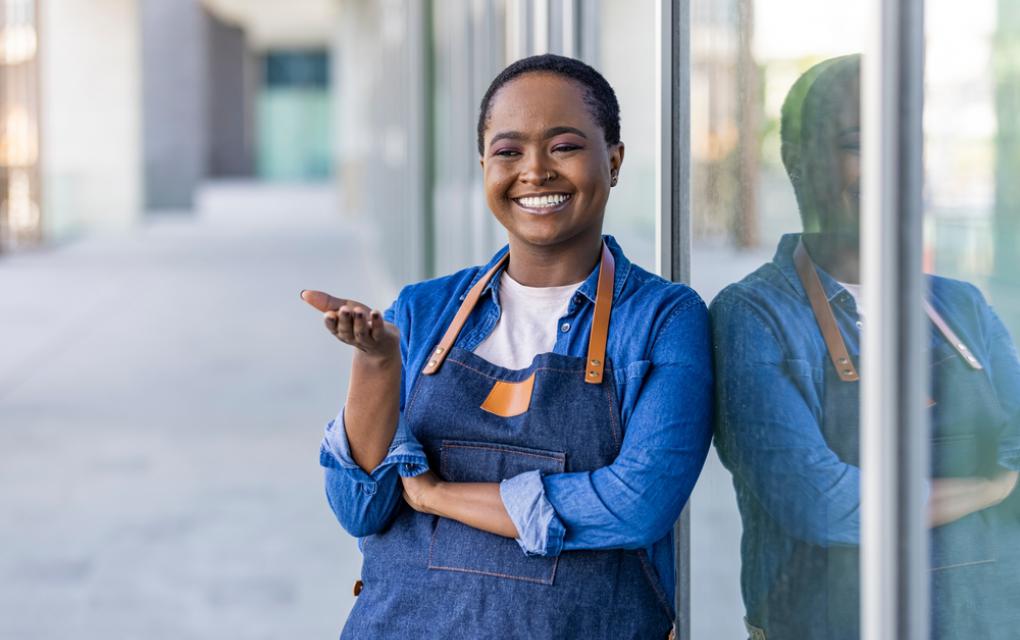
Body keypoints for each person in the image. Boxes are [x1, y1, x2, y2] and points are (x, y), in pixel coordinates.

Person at [302, 54, 713, 639]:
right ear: (484, 168)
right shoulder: (421, 312)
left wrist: (439, 496)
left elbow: (635, 504)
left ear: (614, 161)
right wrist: (376, 363)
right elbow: (359, 507)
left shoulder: (663, 319)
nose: (535, 171)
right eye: (509, 151)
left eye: (564, 146)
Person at [712, 54, 1020, 639]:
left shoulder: (962, 306)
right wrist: (991, 486)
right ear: (797, 161)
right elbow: (823, 504)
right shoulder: (753, 316)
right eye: (857, 145)